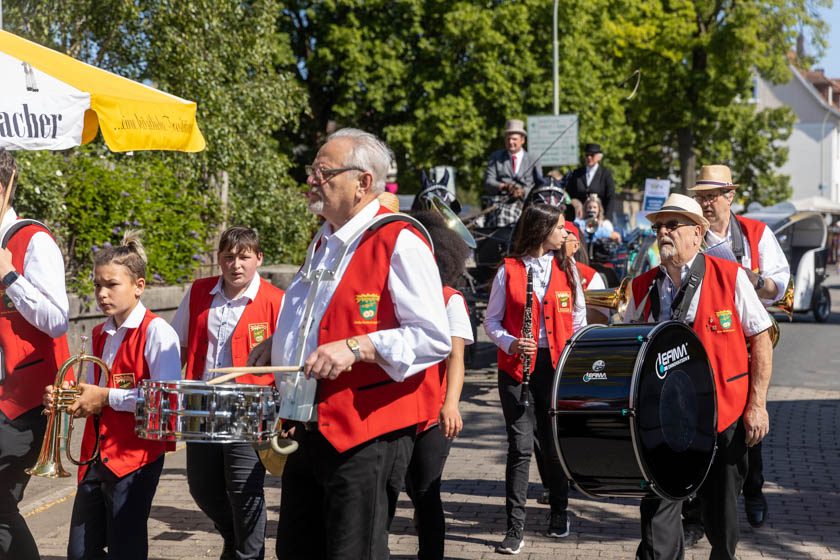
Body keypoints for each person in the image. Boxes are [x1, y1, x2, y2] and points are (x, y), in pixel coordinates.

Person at [249, 128, 451, 560]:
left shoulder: (399, 238)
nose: (312, 180)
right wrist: (278, 343)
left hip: (366, 431)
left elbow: (434, 336)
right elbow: (315, 313)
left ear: (362, 182)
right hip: (308, 426)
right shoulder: (323, 239)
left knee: (352, 551)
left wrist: (357, 347)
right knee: (297, 550)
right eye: (312, 171)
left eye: (323, 172)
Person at [624, 193, 773, 560]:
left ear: (698, 233)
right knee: (658, 510)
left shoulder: (731, 277)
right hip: (661, 419)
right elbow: (629, 348)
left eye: (673, 225)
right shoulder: (641, 288)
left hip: (724, 412)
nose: (663, 233)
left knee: (720, 514)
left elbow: (762, 339)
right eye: (659, 226)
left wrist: (757, 405)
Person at [55, 231, 181, 560]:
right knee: (80, 551)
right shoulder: (100, 332)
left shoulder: (157, 331)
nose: (102, 293)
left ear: (139, 286)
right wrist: (71, 398)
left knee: (126, 548)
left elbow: (166, 399)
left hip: (135, 458)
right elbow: (96, 395)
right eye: (98, 285)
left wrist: (105, 397)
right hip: (96, 455)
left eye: (112, 284)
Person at [686, 164, 790, 536]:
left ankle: (753, 492)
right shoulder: (690, 230)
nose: (705, 203)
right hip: (704, 339)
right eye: (700, 197)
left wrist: (752, 279)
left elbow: (781, 284)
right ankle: (697, 510)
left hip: (747, 340)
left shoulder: (757, 233)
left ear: (730, 195)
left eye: (711, 196)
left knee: (749, 419)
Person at [170, 226, 285, 560]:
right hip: (201, 404)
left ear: (258, 259)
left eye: (244, 257)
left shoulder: (276, 300)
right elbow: (177, 345)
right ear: (219, 260)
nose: (236, 264)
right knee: (201, 487)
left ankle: (248, 554)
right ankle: (232, 535)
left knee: (244, 489)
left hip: (250, 406)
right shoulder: (199, 292)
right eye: (229, 257)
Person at [484, 203, 586, 555]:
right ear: (542, 231)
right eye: (559, 228)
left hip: (554, 366)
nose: (565, 233)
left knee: (553, 441)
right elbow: (491, 322)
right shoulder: (508, 270)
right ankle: (516, 527)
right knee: (520, 447)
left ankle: (560, 509)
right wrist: (512, 342)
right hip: (516, 367)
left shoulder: (566, 266)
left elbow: (578, 316)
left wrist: (572, 353)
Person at [0, 148, 71, 560]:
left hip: (27, 396)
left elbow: (57, 318)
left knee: (1, 503)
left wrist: (9, 274)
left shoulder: (34, 239)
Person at [405, 210, 473, 560]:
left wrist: (451, 403)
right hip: (399, 410)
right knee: (407, 488)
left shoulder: (450, 298)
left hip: (432, 411)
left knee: (426, 491)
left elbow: (456, 358)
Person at [483, 119, 545, 227]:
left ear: (522, 140)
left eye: (514, 139)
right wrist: (504, 186)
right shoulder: (495, 157)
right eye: (508, 139)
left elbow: (539, 185)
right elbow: (488, 181)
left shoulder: (533, 159)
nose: (511, 142)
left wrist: (523, 192)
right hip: (500, 202)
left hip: (525, 203)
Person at [564, 143, 616, 221]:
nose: (589, 157)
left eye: (592, 155)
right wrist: (575, 203)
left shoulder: (606, 174)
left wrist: (607, 219)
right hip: (578, 217)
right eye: (587, 155)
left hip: (599, 218)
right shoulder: (576, 173)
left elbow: (610, 197)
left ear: (599, 157)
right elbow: (568, 194)